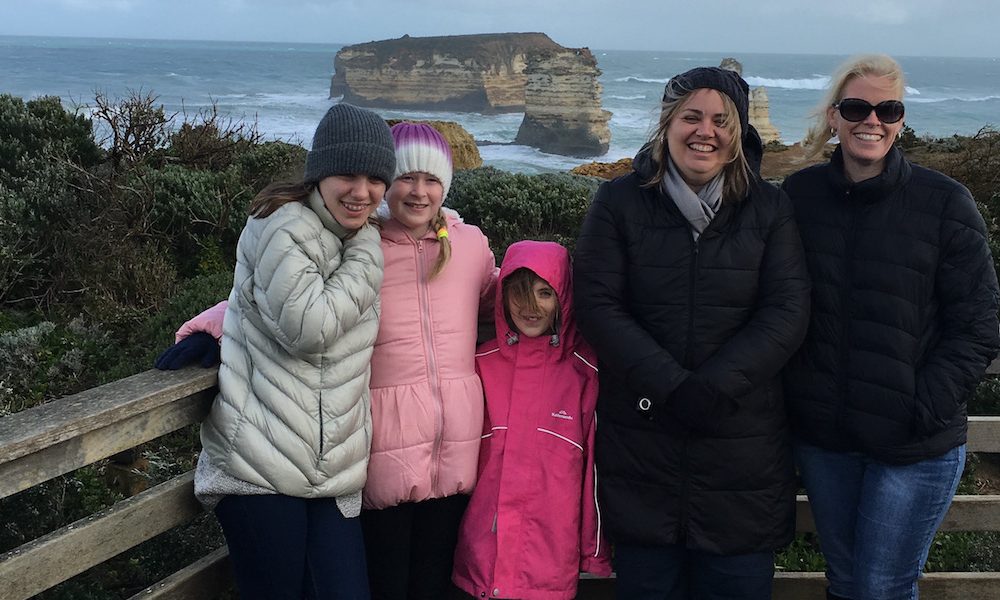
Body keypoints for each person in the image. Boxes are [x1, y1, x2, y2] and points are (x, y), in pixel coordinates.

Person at [158, 121, 497, 599]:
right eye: (405, 177)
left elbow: (496, 302)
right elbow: (265, 293)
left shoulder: (469, 245)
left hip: (433, 452)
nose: (418, 191)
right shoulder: (360, 240)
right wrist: (208, 329)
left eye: (432, 179)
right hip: (375, 452)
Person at [572, 66, 811, 599]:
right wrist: (673, 387)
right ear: (667, 124)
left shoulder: (770, 208)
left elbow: (787, 310)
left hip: (742, 460)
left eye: (721, 121)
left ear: (738, 132)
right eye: (691, 117)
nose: (706, 131)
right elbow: (598, 305)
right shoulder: (618, 202)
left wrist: (714, 389)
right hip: (642, 454)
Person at [782, 54, 1000, 600]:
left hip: (912, 445)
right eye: (857, 107)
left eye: (888, 109)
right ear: (834, 116)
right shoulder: (798, 198)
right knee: (845, 582)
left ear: (901, 120)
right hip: (827, 439)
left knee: (882, 587)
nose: (871, 120)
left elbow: (978, 324)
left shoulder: (944, 203)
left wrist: (920, 407)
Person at [163, 102, 391, 600]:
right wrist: (368, 254)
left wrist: (216, 324)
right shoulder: (286, 225)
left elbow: (254, 298)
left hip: (330, 471)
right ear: (320, 172)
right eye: (348, 175)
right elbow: (310, 327)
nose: (362, 191)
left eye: (376, 179)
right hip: (259, 465)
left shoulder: (347, 233)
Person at [451, 240, 612, 600]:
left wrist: (594, 551)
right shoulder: (482, 364)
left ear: (563, 297)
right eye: (519, 293)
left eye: (544, 293)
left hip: (548, 564)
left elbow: (594, 472)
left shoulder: (583, 373)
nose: (531, 306)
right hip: (479, 560)